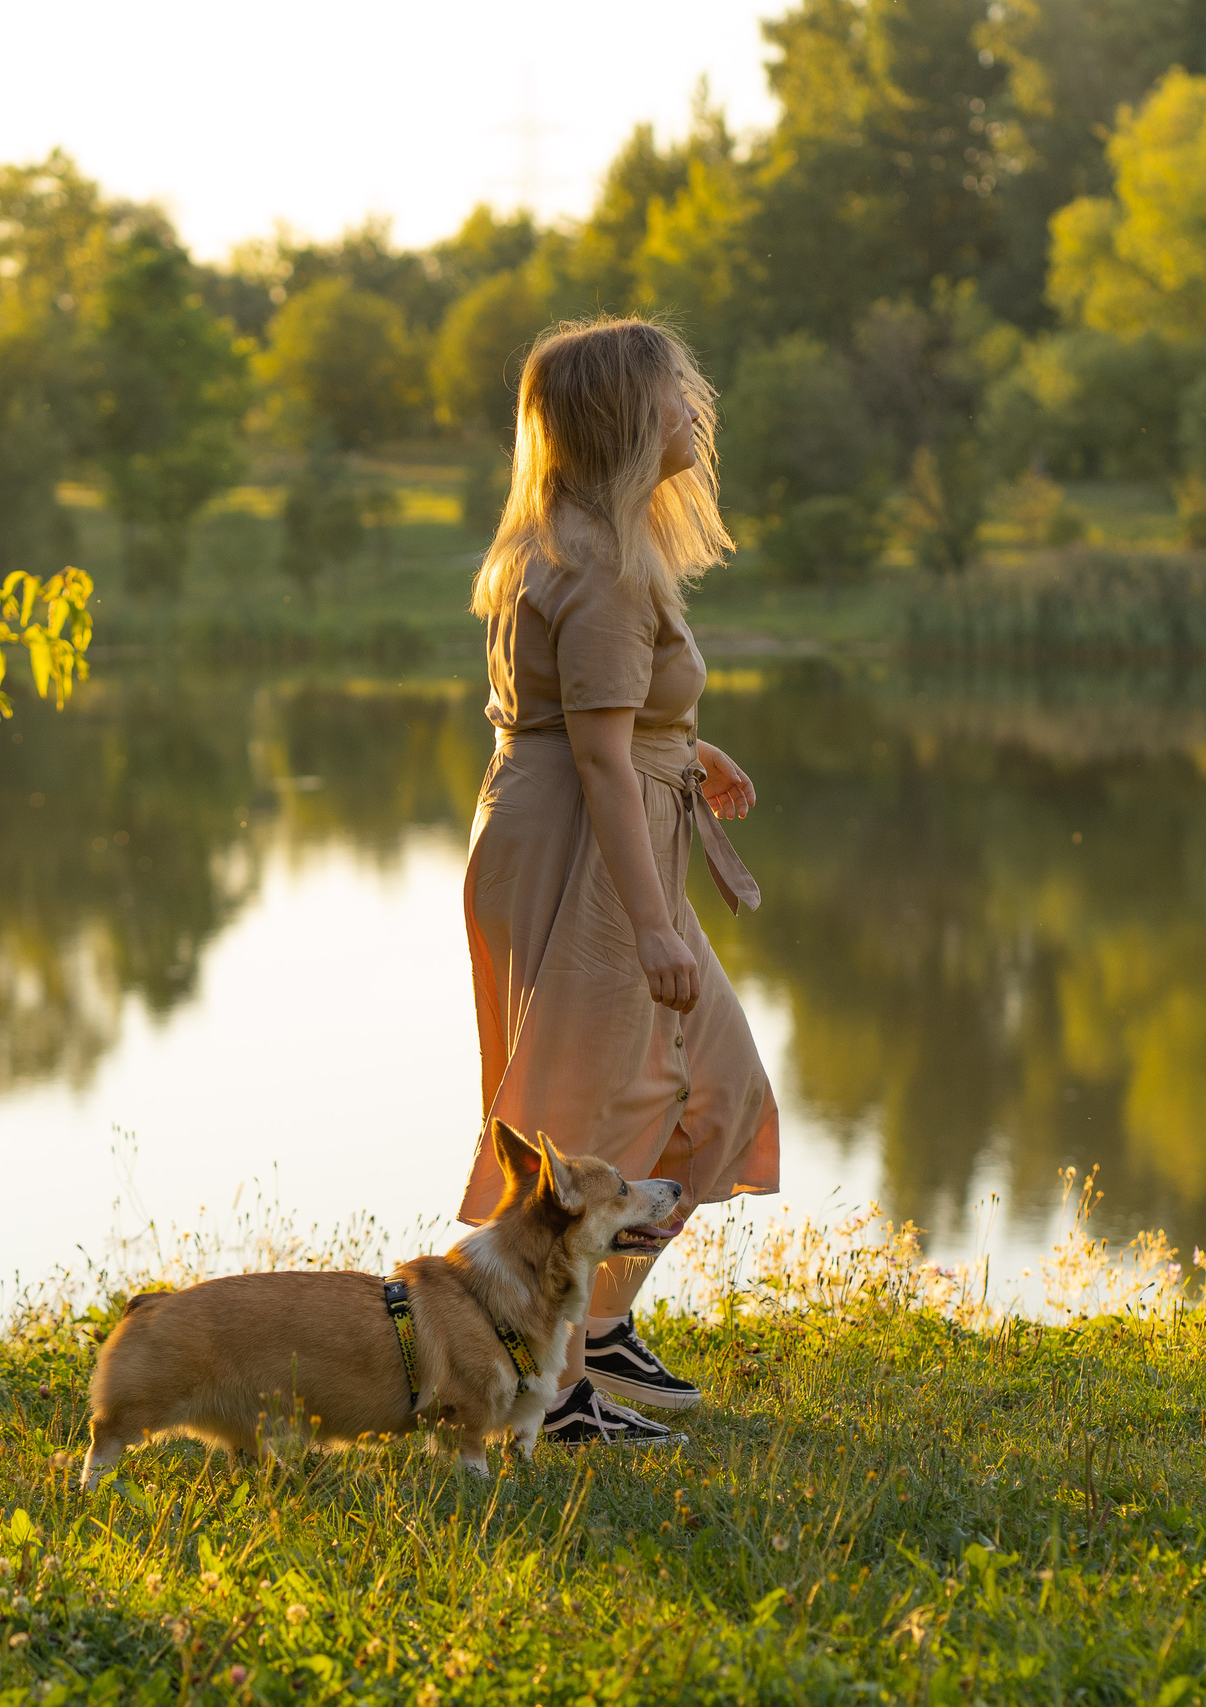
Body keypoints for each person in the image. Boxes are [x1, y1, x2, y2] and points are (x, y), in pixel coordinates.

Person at [455, 317, 779, 1448]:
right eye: (674, 397)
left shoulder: (600, 542)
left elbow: (606, 723)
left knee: (712, 1091)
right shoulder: (595, 566)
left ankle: (591, 1326)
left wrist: (685, 747)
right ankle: (559, 1376)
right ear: (619, 423)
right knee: (588, 1109)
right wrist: (654, 929)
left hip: (594, 824)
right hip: (589, 851)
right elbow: (591, 750)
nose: (696, 412)